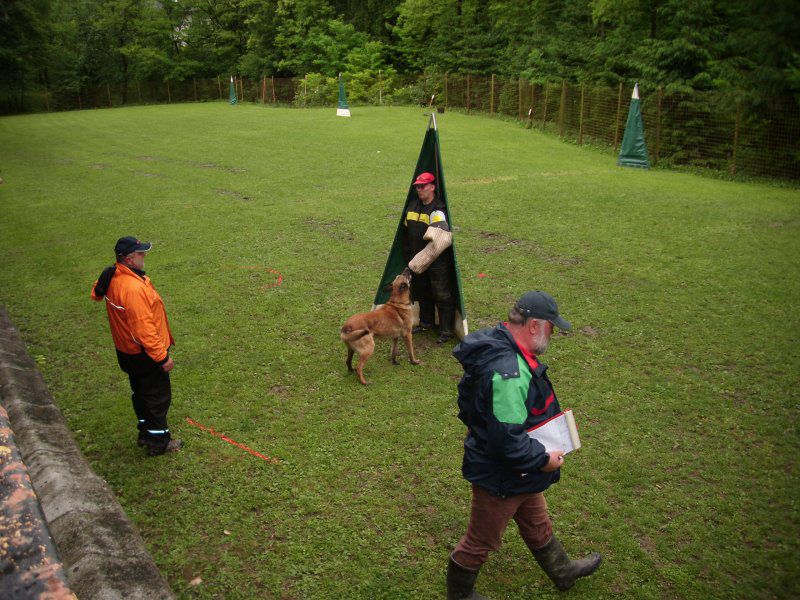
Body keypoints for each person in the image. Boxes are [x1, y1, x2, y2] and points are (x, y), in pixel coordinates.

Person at [446, 291, 601, 599]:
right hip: (500, 475)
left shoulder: (500, 341)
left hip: (517, 470)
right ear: (534, 326)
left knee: (536, 520)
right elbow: (507, 440)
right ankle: (459, 595)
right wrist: (543, 459)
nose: (552, 335)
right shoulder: (509, 373)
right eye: (551, 328)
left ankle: (563, 571)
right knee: (480, 541)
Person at [91, 236, 183, 456]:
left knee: (140, 393)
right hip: (144, 355)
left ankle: (145, 431)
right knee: (156, 397)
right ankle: (158, 442)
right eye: (141, 253)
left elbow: (96, 293)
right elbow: (144, 330)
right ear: (129, 259)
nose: (144, 256)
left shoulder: (115, 275)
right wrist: (162, 357)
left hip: (127, 352)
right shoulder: (132, 289)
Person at [401, 171, 458, 344]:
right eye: (417, 186)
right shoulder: (412, 205)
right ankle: (426, 323)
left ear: (432, 187)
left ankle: (446, 331)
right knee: (423, 291)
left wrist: (419, 261)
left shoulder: (438, 210)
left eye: (423, 186)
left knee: (441, 294)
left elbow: (440, 241)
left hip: (436, 261)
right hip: (416, 259)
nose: (419, 190)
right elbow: (405, 232)